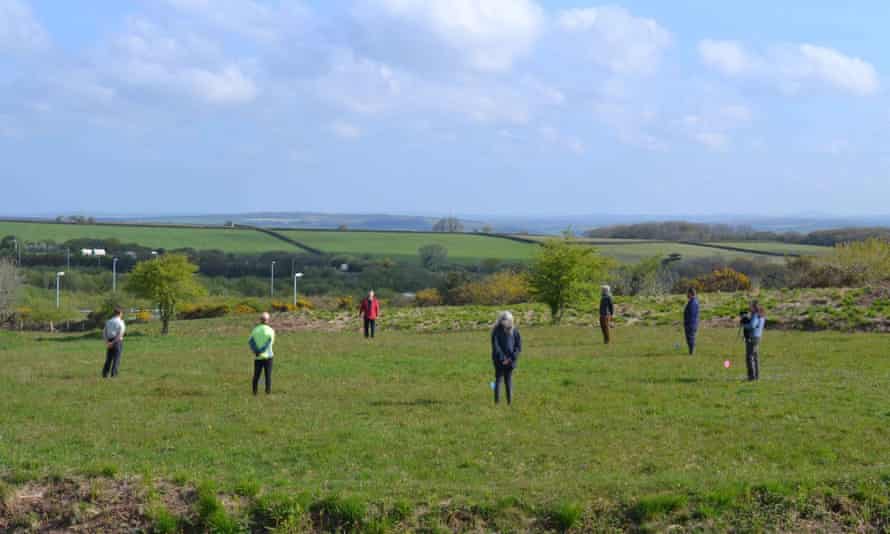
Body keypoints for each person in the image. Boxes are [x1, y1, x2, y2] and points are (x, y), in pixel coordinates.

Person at [491, 311, 521, 405]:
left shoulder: (515, 331)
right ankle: (497, 403)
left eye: (509, 320)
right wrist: (503, 359)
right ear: (501, 320)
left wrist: (511, 358)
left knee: (508, 381)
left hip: (511, 361)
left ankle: (509, 403)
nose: (508, 322)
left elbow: (518, 347)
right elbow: (496, 347)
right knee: (498, 380)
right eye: (505, 320)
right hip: (499, 361)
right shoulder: (496, 331)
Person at [248, 312, 275, 395]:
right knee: (268, 376)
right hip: (268, 356)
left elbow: (250, 341)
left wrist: (257, 351)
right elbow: (270, 342)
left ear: (260, 320)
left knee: (256, 376)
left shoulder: (255, 330)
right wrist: (262, 350)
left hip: (257, 357)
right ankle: (268, 392)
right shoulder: (270, 330)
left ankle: (254, 392)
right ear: (268, 320)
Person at [742, 300, 766, 381]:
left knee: (749, 357)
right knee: (755, 357)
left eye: (750, 306)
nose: (749, 307)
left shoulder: (755, 314)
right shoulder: (761, 314)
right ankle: (756, 377)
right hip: (758, 337)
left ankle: (751, 377)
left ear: (754, 307)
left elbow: (752, 325)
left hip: (752, 337)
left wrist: (744, 325)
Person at [101, 308, 126, 378]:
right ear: (120, 313)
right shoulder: (121, 322)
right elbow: (120, 334)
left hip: (109, 340)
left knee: (108, 359)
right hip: (117, 342)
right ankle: (114, 374)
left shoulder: (108, 321)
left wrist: (107, 342)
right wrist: (113, 342)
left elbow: (104, 333)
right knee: (116, 359)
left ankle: (104, 374)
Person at [683, 288, 700, 355]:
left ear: (690, 293)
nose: (687, 294)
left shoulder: (693, 302)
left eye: (688, 293)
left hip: (691, 324)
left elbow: (692, 314)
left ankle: (691, 352)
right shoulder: (694, 301)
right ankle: (691, 351)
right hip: (692, 323)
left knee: (690, 338)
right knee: (690, 338)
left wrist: (688, 323)